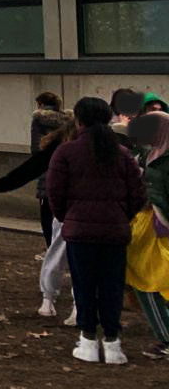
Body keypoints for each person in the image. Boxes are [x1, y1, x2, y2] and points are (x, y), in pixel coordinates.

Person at [47, 96, 147, 365]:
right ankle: (113, 342)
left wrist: (69, 218)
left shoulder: (66, 153)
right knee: (112, 286)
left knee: (84, 285)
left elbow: (54, 192)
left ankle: (88, 338)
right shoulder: (122, 154)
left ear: (78, 120)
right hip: (115, 231)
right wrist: (121, 216)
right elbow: (138, 193)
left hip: (80, 232)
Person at [0, 109, 79, 324]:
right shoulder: (72, 144)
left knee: (64, 254)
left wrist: (4, 184)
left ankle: (57, 301)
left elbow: (33, 166)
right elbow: (35, 166)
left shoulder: (65, 144)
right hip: (72, 209)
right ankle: (58, 300)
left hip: (72, 208)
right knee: (68, 255)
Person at [129, 111, 169, 360]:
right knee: (146, 279)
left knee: (150, 282)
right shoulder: (148, 154)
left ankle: (165, 336)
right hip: (147, 223)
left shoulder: (160, 159)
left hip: (160, 226)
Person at [31, 92, 68, 245]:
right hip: (65, 172)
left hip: (46, 171)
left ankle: (49, 246)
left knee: (46, 213)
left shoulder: (38, 120)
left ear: (40, 103)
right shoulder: (67, 120)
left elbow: (36, 148)